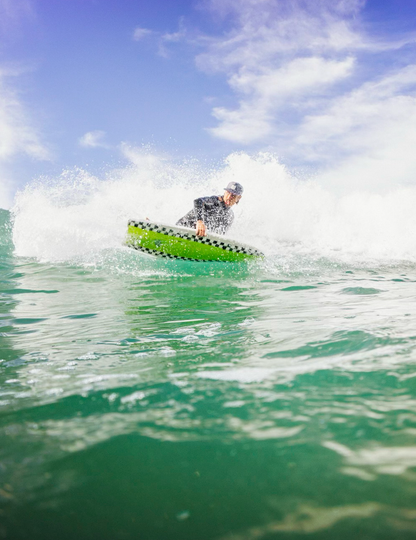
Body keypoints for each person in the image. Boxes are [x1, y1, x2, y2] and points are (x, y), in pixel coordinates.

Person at [176, 182, 243, 236]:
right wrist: (199, 221)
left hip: (196, 235)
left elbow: (221, 234)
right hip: (181, 227)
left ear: (239, 198)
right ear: (225, 192)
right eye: (228, 193)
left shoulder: (229, 216)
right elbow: (197, 201)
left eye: (233, 195)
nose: (229, 197)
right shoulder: (214, 201)